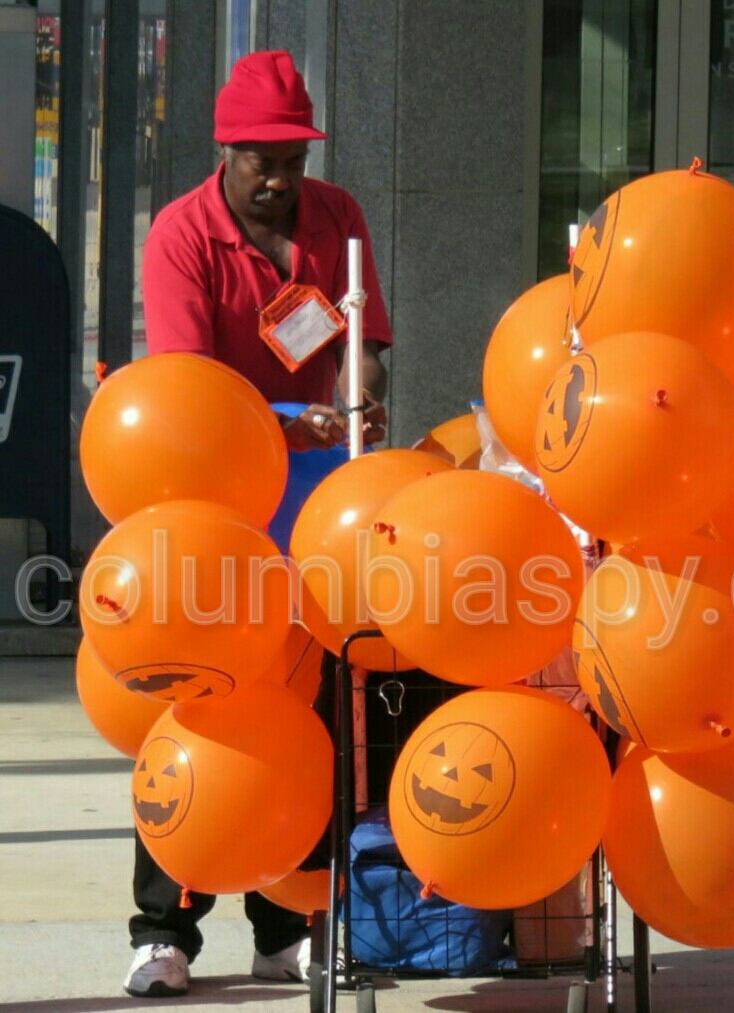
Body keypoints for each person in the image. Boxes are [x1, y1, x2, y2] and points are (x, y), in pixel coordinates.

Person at [123, 49, 393, 999]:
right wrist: (283, 423)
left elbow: (364, 342)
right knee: (200, 708)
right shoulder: (181, 234)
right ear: (225, 151)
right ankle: (163, 931)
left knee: (309, 713)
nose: (279, 179)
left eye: (293, 160)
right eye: (261, 161)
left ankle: (287, 925)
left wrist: (358, 398)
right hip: (215, 501)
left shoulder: (337, 217)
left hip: (317, 505)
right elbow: (190, 389)